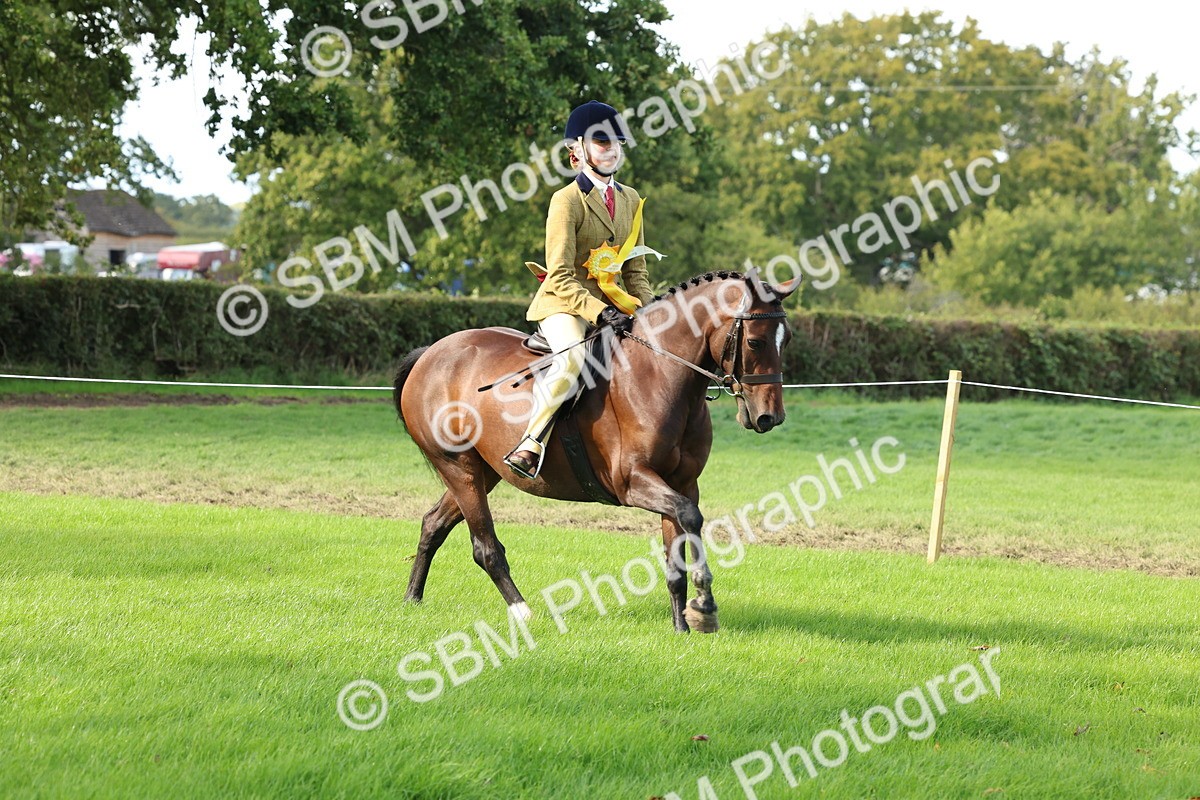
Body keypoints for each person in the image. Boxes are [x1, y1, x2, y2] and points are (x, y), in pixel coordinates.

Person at [504, 100, 656, 480]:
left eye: (617, 142)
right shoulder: (566, 200)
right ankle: (531, 442)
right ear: (578, 150)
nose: (612, 149)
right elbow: (557, 273)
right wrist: (597, 312)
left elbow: (636, 271)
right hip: (564, 305)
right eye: (602, 142)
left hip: (616, 305)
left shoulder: (631, 199)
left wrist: (654, 315)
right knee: (572, 359)